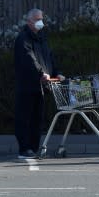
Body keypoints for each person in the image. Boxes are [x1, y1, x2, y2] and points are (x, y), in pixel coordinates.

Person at [14, 8, 64, 159]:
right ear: (29, 21)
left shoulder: (42, 39)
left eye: (41, 19)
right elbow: (29, 59)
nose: (40, 22)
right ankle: (24, 149)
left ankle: (33, 148)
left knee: (37, 119)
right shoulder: (23, 39)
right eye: (37, 19)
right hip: (27, 86)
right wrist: (41, 73)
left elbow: (48, 59)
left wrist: (57, 73)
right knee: (25, 118)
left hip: (41, 87)